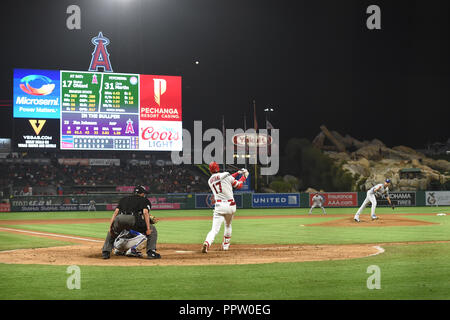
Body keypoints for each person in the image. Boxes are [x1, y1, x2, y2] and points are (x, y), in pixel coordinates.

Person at [101, 185, 160, 259]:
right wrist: (148, 228)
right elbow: (145, 213)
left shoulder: (124, 199)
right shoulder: (144, 200)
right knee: (152, 230)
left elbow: (116, 212)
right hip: (133, 219)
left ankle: (105, 252)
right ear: (142, 194)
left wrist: (110, 227)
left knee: (112, 232)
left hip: (120, 218)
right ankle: (151, 252)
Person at [201, 162, 248, 253]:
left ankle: (207, 243)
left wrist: (238, 173)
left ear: (210, 170)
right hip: (230, 206)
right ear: (218, 168)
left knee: (214, 229)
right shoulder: (226, 175)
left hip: (219, 206)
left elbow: (225, 178)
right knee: (228, 225)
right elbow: (238, 185)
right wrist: (244, 176)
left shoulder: (210, 180)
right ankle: (225, 246)